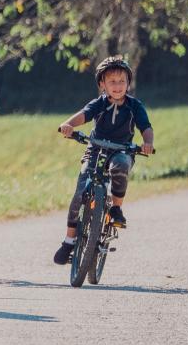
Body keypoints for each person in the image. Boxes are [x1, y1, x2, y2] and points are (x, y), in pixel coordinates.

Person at [52, 56, 154, 265]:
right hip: (96, 149)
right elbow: (83, 115)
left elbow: (146, 127)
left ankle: (116, 208)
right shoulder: (99, 103)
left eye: (122, 81)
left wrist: (147, 142)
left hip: (121, 150)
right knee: (81, 191)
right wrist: (68, 125)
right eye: (112, 82)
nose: (117, 86)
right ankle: (69, 240)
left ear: (128, 83)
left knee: (121, 166)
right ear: (102, 84)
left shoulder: (135, 106)